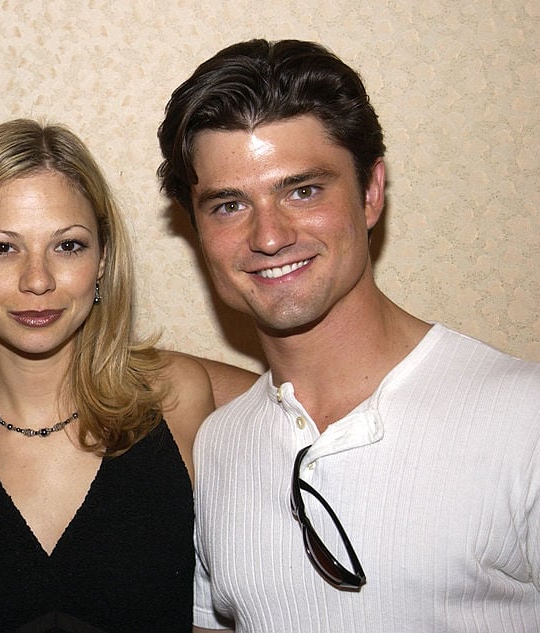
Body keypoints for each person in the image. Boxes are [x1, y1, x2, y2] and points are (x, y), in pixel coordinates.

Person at [157, 38, 540, 632]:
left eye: (302, 190)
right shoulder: (218, 447)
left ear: (370, 192)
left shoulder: (524, 419)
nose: (268, 235)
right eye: (229, 205)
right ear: (197, 230)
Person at [0, 119, 254, 633]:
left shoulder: (176, 399)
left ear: (103, 259)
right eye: (1, 247)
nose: (37, 280)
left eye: (68, 246)